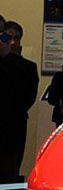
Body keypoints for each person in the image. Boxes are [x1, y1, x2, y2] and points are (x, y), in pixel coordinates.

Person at [0, 16, 40, 179]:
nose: (12, 42)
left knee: (9, 174)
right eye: (8, 37)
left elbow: (27, 98)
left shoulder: (26, 67)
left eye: (16, 38)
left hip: (12, 129)